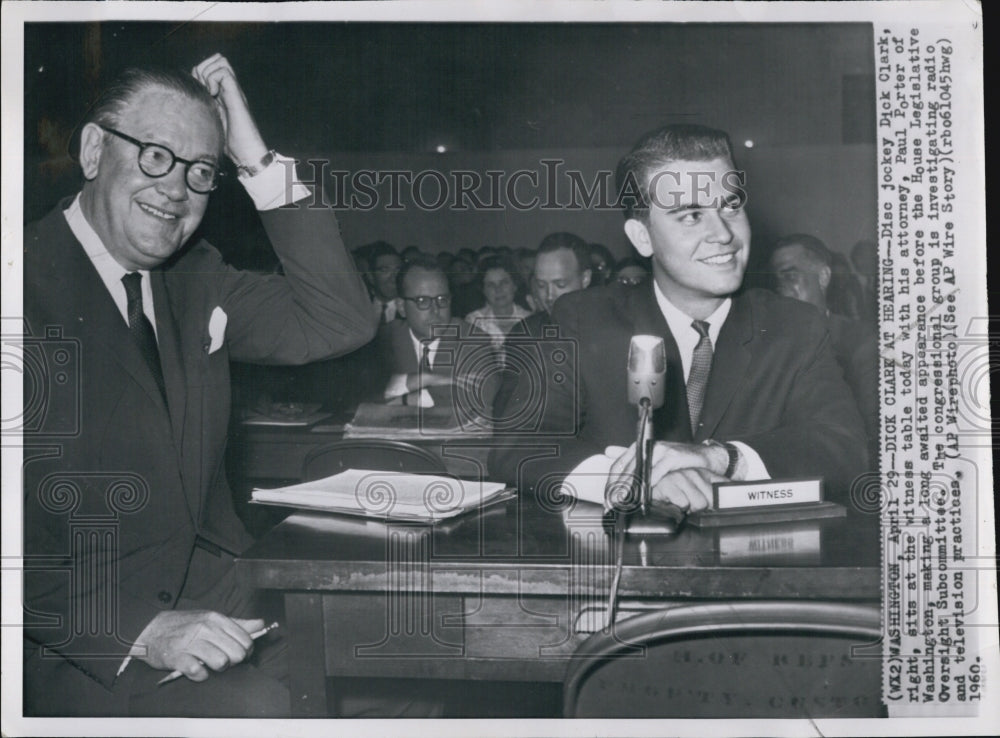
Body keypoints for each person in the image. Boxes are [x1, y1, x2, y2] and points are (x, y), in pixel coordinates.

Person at [21, 56, 376, 716]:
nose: (177, 189)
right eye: (157, 155)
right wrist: (140, 631)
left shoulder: (194, 278)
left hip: (223, 590)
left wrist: (257, 159)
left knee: (384, 660)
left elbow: (343, 320)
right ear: (95, 150)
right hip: (74, 642)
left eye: (202, 171)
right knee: (265, 708)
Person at [491, 124, 868, 512]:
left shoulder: (795, 326)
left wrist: (721, 458)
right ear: (642, 237)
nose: (723, 233)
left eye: (731, 207)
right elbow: (520, 445)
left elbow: (844, 449)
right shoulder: (581, 320)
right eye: (690, 215)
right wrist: (640, 477)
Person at [769, 234, 878, 453]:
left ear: (823, 276)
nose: (780, 287)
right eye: (774, 279)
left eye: (790, 275)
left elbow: (874, 429)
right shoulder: (766, 344)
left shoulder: (861, 342)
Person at [380, 256, 497, 413]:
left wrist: (406, 396)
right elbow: (363, 396)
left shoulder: (474, 339)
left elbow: (482, 397)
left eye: (442, 299)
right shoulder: (386, 337)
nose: (435, 311)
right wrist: (424, 380)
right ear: (401, 307)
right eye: (422, 301)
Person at [524, 232, 592, 336]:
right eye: (541, 285)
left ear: (585, 279)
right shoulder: (525, 333)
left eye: (560, 284)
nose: (549, 296)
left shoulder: (609, 330)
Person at [464, 254, 532, 347]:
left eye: (504, 282)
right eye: (491, 285)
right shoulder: (474, 322)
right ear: (483, 290)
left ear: (515, 285)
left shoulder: (529, 319)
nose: (498, 289)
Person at [365, 240, 403, 324]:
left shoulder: (412, 310)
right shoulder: (359, 308)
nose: (394, 277)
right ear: (371, 277)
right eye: (385, 270)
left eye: (398, 270)